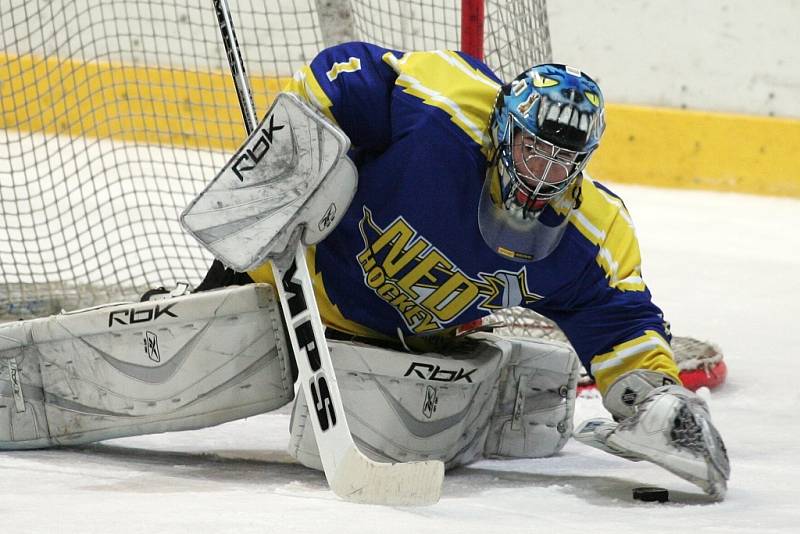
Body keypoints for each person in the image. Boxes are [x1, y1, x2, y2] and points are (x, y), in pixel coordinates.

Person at [0, 41, 729, 500]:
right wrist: (300, 157)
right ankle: (200, 300)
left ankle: (490, 386)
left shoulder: (590, 232)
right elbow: (344, 71)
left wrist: (653, 397)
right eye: (533, 149)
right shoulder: (443, 107)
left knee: (391, 437)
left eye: (562, 160)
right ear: (503, 128)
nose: (544, 172)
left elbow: (619, 323)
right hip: (298, 287)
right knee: (179, 347)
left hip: (397, 345)